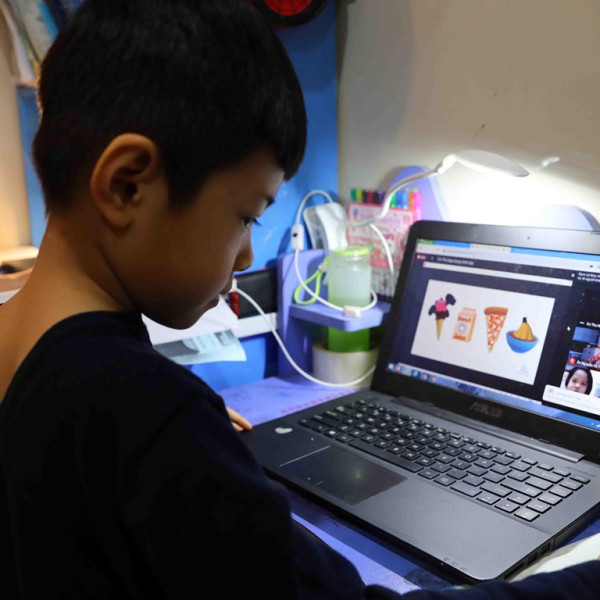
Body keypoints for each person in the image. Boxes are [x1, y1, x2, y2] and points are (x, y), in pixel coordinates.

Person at [0, 1, 598, 598]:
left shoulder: (51, 365)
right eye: (246, 216)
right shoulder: (147, 415)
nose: (245, 257)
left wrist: (189, 440)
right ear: (127, 184)